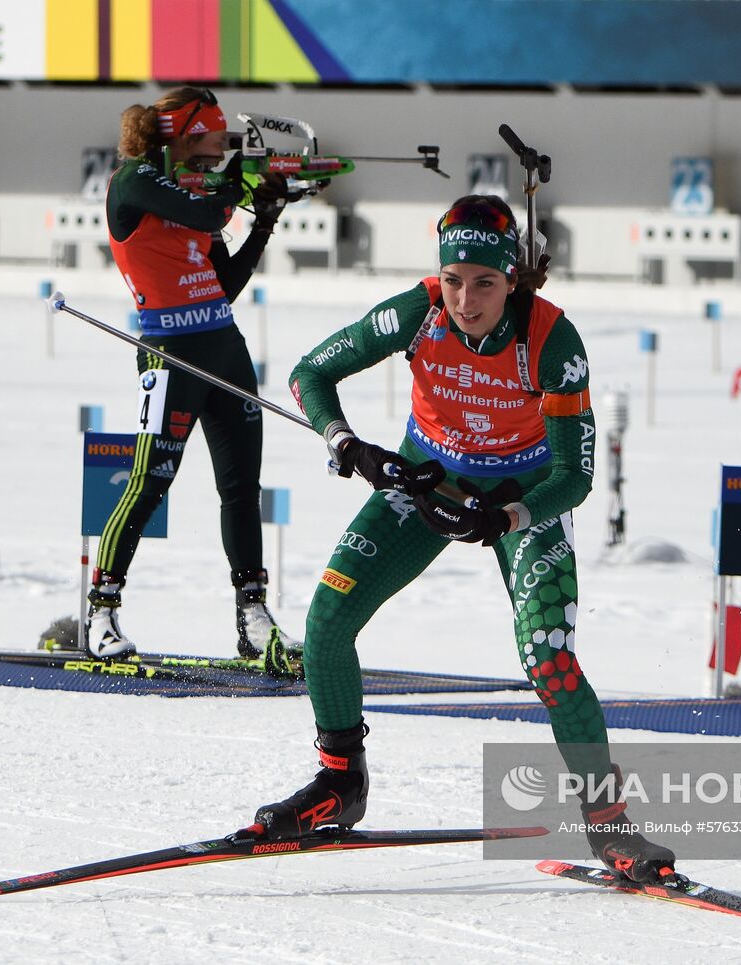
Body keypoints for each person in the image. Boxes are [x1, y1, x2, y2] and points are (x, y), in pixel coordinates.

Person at [247, 195, 678, 884]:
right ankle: (339, 782)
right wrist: (348, 444)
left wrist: (504, 517)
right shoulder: (415, 312)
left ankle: (610, 825)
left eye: (484, 282)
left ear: (514, 279)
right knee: (327, 622)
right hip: (430, 482)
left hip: (522, 499)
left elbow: (574, 476)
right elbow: (310, 372)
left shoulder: (550, 340)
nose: (465, 298)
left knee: (550, 662)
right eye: (453, 280)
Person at [86, 86, 299, 675]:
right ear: (181, 134)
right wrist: (242, 184)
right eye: (212, 140)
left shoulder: (195, 193)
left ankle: (252, 616)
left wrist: (264, 218)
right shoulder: (136, 181)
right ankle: (100, 611)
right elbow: (208, 211)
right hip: (170, 353)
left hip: (224, 347)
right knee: (150, 481)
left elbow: (223, 282)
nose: (219, 151)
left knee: (241, 487)